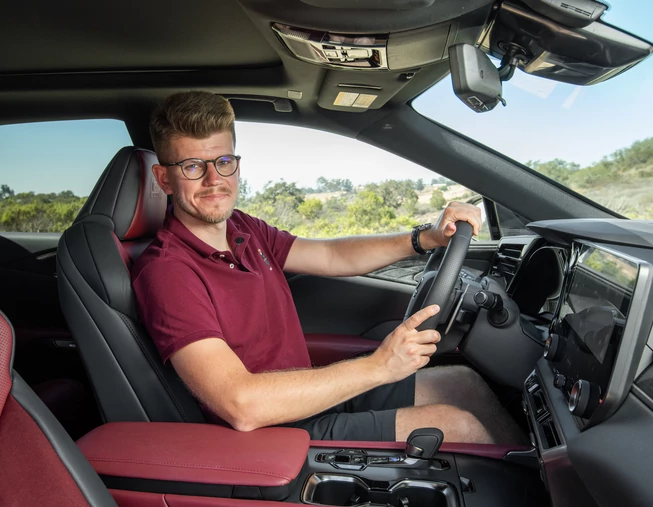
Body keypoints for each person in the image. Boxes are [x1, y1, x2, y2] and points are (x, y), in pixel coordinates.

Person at [132, 91, 524, 444]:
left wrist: (424, 239)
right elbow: (242, 405)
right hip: (273, 436)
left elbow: (333, 256)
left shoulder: (243, 228)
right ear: (164, 178)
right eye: (192, 167)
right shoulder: (168, 272)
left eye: (223, 161)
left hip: (307, 400)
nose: (214, 180)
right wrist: (378, 367)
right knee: (458, 427)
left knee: (465, 384)